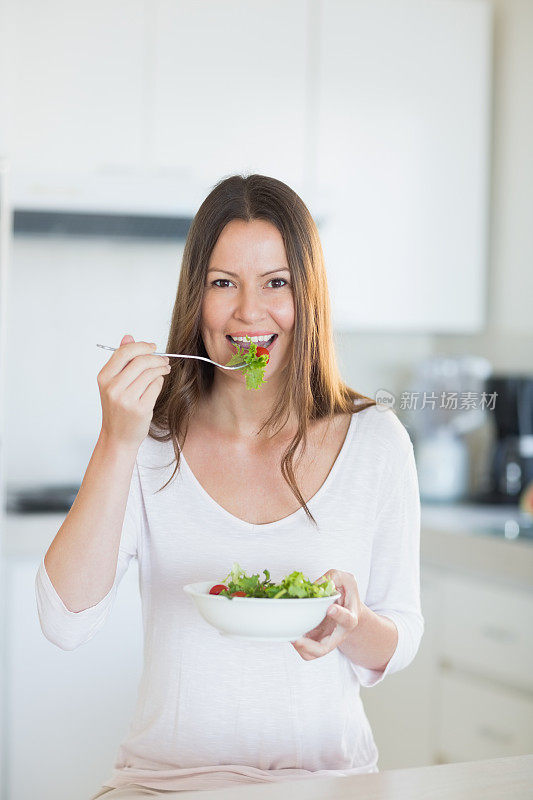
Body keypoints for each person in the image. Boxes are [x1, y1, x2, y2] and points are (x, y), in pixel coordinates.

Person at [35, 174, 424, 798]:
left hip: (327, 783)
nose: (249, 312)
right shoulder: (148, 440)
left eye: (276, 283)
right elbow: (63, 622)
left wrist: (352, 626)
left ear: (310, 298)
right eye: (224, 283)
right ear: (197, 299)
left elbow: (400, 636)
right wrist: (117, 440)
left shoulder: (377, 442)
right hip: (168, 786)